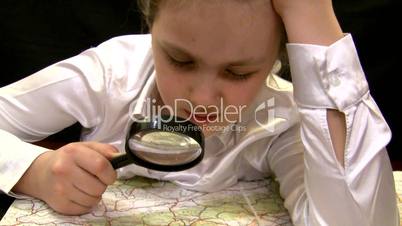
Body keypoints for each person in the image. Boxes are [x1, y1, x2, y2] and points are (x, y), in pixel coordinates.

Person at [0, 0, 398, 225]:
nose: (204, 99)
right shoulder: (110, 75)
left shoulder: (280, 119)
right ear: (150, 26)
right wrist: (34, 171)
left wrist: (309, 13)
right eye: (180, 60)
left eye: (238, 72)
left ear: (279, 59)